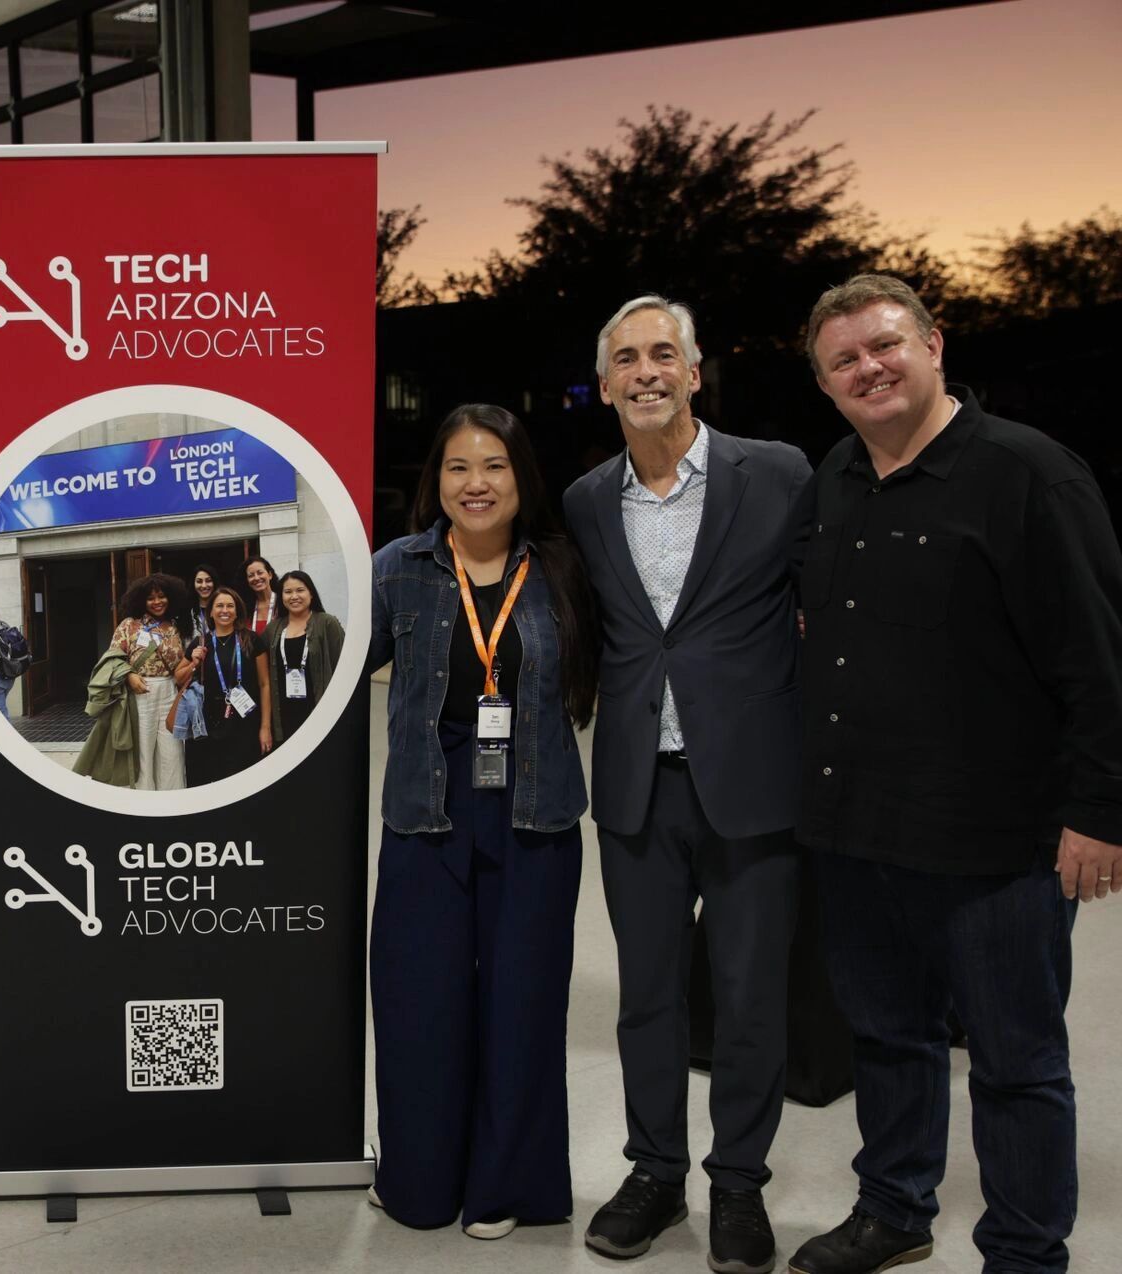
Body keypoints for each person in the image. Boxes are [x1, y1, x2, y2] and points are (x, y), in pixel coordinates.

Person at [785, 275, 1122, 1274]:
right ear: (824, 384)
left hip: (996, 841)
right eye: (843, 360)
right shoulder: (834, 476)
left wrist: (1100, 810)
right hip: (857, 827)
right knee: (887, 1037)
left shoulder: (1028, 474)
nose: (868, 368)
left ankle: (1023, 1251)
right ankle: (893, 1208)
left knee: (1015, 1060)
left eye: (884, 345)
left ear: (933, 346)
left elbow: (1098, 659)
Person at [562, 295, 813, 1274]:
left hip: (752, 782)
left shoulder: (777, 473)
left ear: (695, 372)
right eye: (625, 359)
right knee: (647, 998)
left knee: (749, 998)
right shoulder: (587, 501)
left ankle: (738, 1183)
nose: (645, 372)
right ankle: (656, 1173)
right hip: (637, 785)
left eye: (662, 353)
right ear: (605, 384)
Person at [365, 403, 599, 1240]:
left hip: (535, 811)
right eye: (458, 467)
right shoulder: (397, 568)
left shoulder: (563, 568)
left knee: (522, 1001)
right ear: (436, 479)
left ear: (521, 477)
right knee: (417, 1000)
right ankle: (420, 1180)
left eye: (494, 465)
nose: (476, 483)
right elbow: (330, 668)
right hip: (425, 807)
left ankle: (505, 1188)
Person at [109, 572, 194, 792]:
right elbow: (112, 658)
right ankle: (144, 800)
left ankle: (172, 800)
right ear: (141, 600)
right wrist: (129, 676)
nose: (157, 602)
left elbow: (184, 662)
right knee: (143, 752)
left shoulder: (177, 626)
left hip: (170, 691)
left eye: (162, 596)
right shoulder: (129, 625)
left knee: (172, 752)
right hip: (140, 693)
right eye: (151, 598)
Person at [183, 585, 272, 784]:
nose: (225, 610)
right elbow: (179, 678)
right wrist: (193, 663)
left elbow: (265, 684)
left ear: (237, 611)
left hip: (246, 723)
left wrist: (265, 727)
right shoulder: (200, 643)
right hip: (208, 724)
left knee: (246, 780)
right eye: (220, 606)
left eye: (230, 606)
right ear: (211, 612)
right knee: (211, 780)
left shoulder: (251, 640)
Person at [263, 569, 344, 748]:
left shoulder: (327, 623)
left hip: (319, 715)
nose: (294, 596)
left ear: (311, 593)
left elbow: (343, 671)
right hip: (284, 717)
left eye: (300, 590)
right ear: (281, 597)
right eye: (288, 592)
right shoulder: (272, 629)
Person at [185, 563, 219, 651]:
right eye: (199, 581)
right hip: (191, 657)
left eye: (208, 581)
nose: (204, 585)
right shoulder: (185, 611)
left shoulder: (222, 609)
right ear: (193, 584)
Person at [241, 554, 278, 634]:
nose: (256, 578)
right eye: (251, 575)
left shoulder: (282, 602)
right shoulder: (245, 608)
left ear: (270, 575)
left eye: (260, 573)